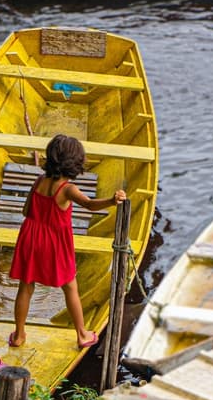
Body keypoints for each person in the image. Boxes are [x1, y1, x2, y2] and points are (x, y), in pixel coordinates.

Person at [8, 134, 126, 349]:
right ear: (75, 163)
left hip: (30, 235)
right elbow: (90, 205)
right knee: (70, 286)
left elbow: (26, 211)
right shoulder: (68, 189)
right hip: (54, 241)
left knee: (26, 286)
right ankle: (82, 335)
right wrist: (111, 200)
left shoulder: (38, 181)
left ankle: (18, 335)